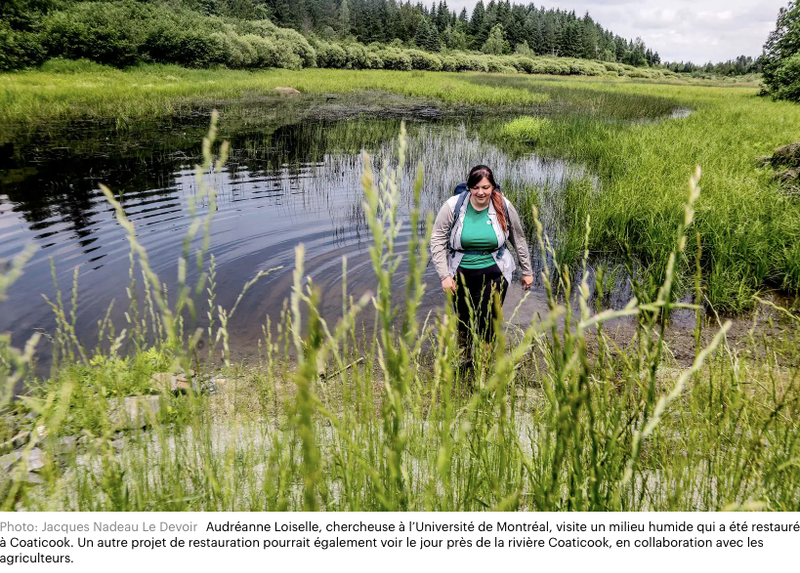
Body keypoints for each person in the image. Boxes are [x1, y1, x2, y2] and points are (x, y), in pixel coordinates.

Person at [430, 165, 534, 370]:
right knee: (463, 319)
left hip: (495, 272)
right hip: (459, 273)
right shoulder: (453, 206)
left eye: (486, 187)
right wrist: (444, 276)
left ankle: (483, 366)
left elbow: (518, 239)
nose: (481, 192)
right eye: (476, 187)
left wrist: (527, 271)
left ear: (493, 187)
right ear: (469, 187)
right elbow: (437, 239)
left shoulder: (503, 205)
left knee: (489, 321)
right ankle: (465, 359)